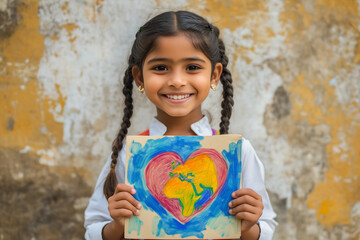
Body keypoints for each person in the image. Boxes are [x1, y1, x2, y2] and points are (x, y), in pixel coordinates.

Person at [84, 10, 277, 240]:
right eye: (161, 68)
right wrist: (117, 226)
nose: (176, 81)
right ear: (139, 78)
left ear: (214, 76)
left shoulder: (239, 154)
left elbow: (266, 229)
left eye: (192, 67)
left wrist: (249, 228)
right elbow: (93, 229)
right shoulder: (129, 154)